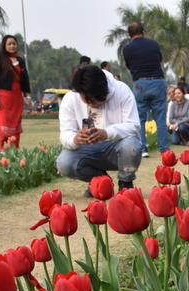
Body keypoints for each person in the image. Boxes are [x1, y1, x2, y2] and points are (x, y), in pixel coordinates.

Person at [56, 66, 142, 195]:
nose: (92, 104)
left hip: (117, 147)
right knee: (64, 163)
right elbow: (65, 133)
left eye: (96, 100)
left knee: (131, 145)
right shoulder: (70, 98)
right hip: (89, 149)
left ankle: (125, 182)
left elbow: (133, 125)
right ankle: (100, 182)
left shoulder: (121, 90)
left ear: (105, 91)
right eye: (87, 100)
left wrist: (106, 133)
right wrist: (74, 139)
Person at [123, 22, 169, 158]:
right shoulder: (153, 43)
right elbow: (159, 59)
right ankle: (164, 149)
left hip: (140, 83)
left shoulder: (127, 49)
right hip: (157, 81)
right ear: (143, 31)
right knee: (160, 118)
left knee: (140, 119)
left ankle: (142, 149)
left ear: (128, 34)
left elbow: (129, 65)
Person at [0, 35, 31, 152]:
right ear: (4, 45)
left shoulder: (20, 61)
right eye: (9, 44)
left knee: (16, 123)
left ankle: (14, 149)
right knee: (4, 123)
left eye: (14, 44)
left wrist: (28, 96)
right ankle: (3, 149)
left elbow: (25, 80)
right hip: (3, 97)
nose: (12, 46)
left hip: (17, 97)